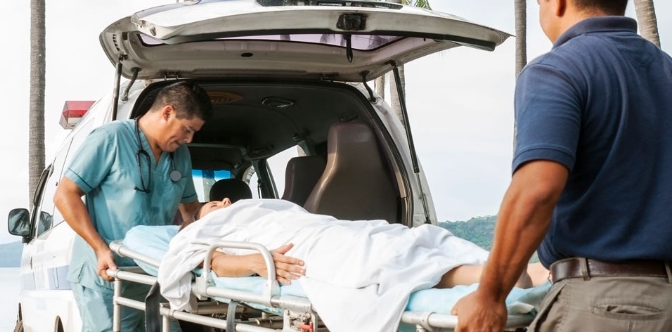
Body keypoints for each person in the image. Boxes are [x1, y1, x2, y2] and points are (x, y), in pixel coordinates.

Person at [452, 0, 672, 332]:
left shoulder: (556, 71)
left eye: (539, 2)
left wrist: (489, 295)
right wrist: (653, 258)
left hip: (608, 309)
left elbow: (537, 189)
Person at [160, 199, 546, 332]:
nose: (214, 210)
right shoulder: (204, 233)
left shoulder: (259, 206)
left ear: (227, 200)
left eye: (214, 205)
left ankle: (493, 271)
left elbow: (298, 218)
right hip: (301, 247)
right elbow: (214, 265)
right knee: (372, 261)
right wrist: (260, 264)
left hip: (319, 229)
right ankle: (492, 272)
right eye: (203, 212)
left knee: (391, 240)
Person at [54, 80, 214, 332]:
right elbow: (65, 195)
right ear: (167, 112)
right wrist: (99, 249)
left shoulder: (180, 156)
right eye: (187, 129)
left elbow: (190, 212)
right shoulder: (111, 138)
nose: (189, 139)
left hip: (153, 275)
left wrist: (218, 215)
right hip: (108, 275)